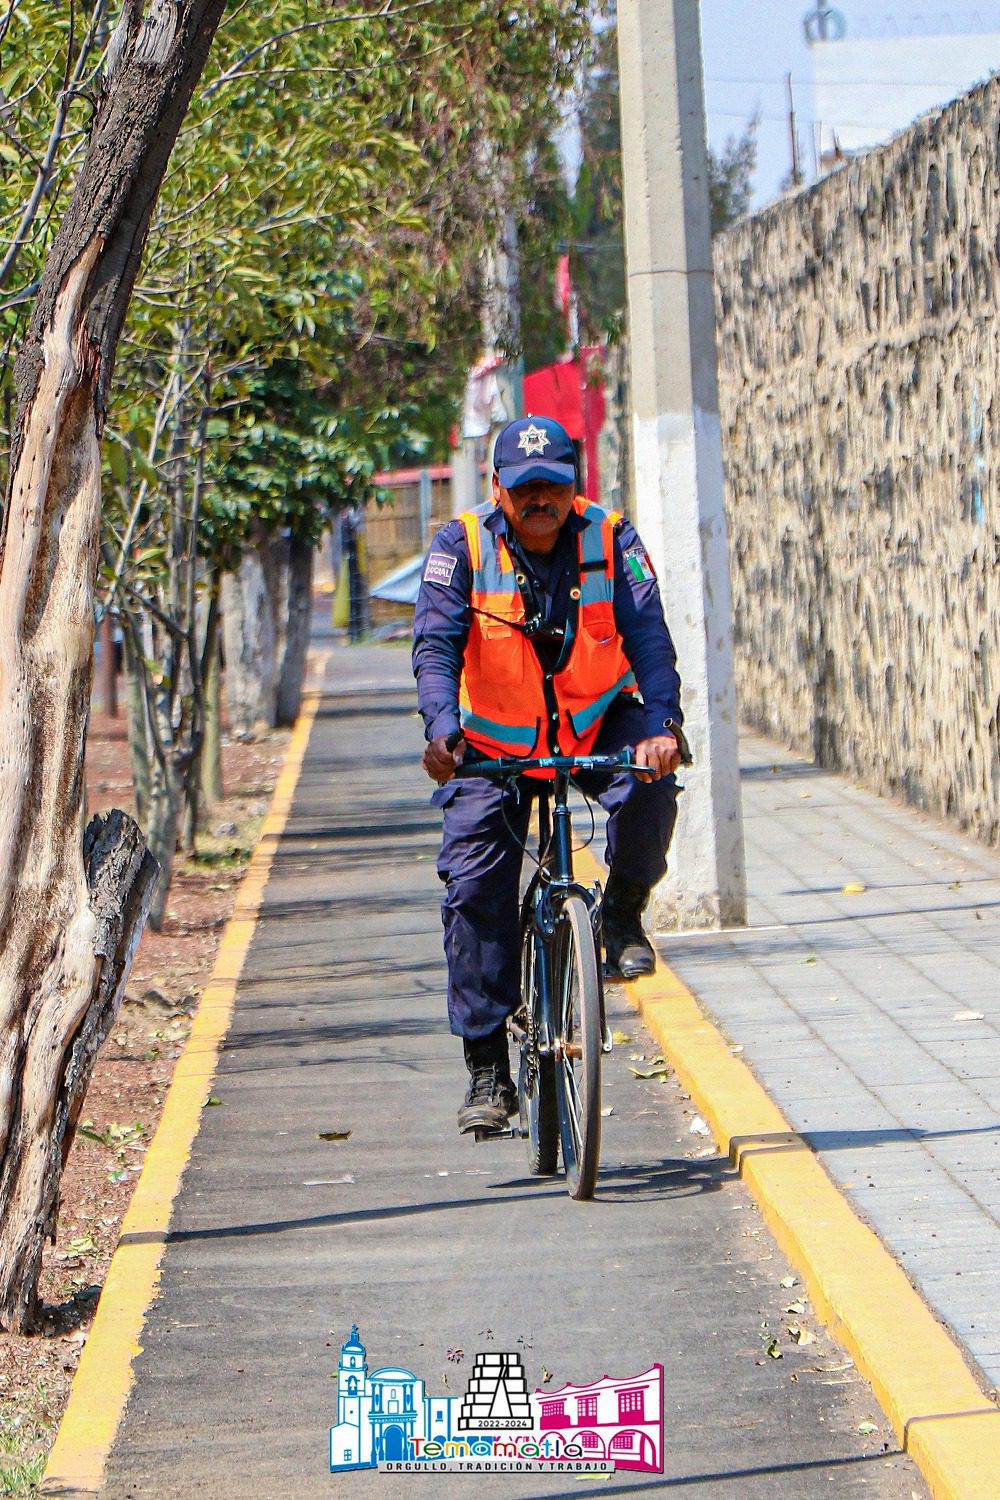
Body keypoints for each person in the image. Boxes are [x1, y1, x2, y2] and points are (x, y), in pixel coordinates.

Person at [412, 415, 689, 1136]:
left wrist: (662, 727)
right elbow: (435, 648)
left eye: (554, 487)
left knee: (652, 781)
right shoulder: (460, 546)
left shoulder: (613, 540)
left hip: (595, 721)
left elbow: (650, 640)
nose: (541, 500)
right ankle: (487, 1068)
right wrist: (442, 729)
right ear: (498, 488)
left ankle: (623, 913)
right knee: (475, 884)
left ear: (576, 488)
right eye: (525, 487)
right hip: (492, 745)